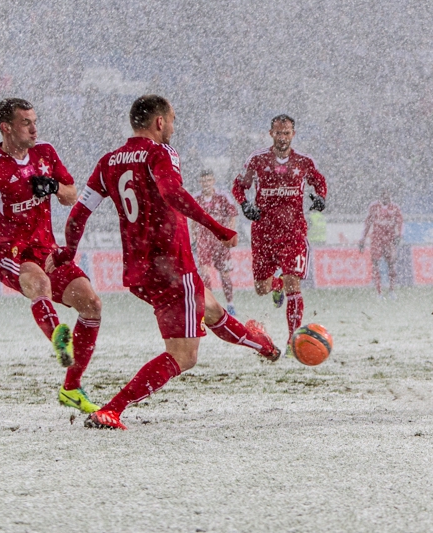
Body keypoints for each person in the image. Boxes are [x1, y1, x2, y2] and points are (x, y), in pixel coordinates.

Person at [50, 95, 280, 430]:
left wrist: (68, 252)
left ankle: (264, 345)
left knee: (212, 311)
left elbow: (79, 213)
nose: (173, 125)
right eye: (172, 119)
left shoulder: (109, 161)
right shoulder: (161, 153)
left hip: (139, 271)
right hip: (173, 267)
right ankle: (112, 409)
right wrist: (218, 228)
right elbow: (172, 193)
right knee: (184, 355)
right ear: (159, 122)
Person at [0, 98, 102, 414]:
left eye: (35, 121)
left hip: (47, 249)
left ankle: (72, 388)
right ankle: (59, 339)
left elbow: (70, 194)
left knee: (91, 304)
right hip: (11, 252)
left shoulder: (45, 154)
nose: (35, 128)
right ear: (6, 128)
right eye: (26, 123)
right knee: (38, 282)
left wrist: (50, 186)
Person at [232, 114, 327, 349]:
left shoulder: (304, 162)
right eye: (278, 133)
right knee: (260, 289)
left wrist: (320, 198)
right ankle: (276, 286)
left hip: (293, 231)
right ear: (270, 134)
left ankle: (294, 340)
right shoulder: (257, 160)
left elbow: (320, 182)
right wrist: (245, 204)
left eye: (286, 133)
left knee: (293, 282)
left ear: (293, 134)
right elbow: (239, 185)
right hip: (264, 232)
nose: (282, 137)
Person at [192, 169, 238, 316]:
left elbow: (232, 215)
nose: (206, 183)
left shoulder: (222, 197)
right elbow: (192, 219)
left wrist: (230, 233)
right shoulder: (196, 198)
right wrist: (194, 237)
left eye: (209, 180)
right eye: (204, 181)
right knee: (204, 274)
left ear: (213, 181)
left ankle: (230, 304)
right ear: (200, 182)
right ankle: (210, 306)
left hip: (220, 240)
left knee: (224, 274)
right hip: (203, 240)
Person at [359, 190, 403, 299]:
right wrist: (363, 239)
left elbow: (400, 222)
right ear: (380, 195)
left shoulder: (395, 208)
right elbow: (368, 223)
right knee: (375, 264)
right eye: (384, 194)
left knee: (391, 264)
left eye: (388, 194)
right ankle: (379, 292)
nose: (386, 197)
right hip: (377, 239)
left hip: (389, 239)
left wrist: (399, 235)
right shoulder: (374, 207)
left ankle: (392, 291)